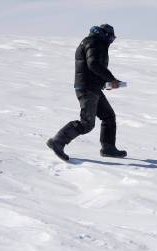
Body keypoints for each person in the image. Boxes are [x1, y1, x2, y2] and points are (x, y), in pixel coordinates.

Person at [47, 23, 127, 160]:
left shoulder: (94, 42)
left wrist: (105, 83)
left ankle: (108, 148)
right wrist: (111, 79)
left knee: (108, 116)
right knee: (86, 123)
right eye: (111, 38)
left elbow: (91, 68)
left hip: (93, 87)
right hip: (87, 88)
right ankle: (58, 141)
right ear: (105, 35)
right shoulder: (94, 42)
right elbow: (93, 64)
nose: (111, 42)